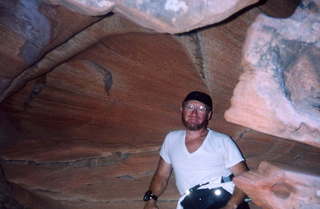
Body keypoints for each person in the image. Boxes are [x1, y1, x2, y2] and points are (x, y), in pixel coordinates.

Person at [142, 91, 250, 209]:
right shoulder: (171, 139)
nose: (194, 113)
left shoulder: (222, 140)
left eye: (201, 108)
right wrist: (151, 201)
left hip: (222, 197)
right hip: (190, 202)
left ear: (209, 115)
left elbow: (243, 176)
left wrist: (232, 205)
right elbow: (162, 175)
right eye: (190, 107)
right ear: (182, 110)